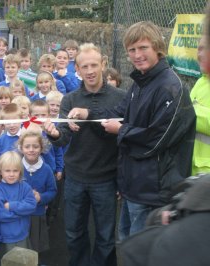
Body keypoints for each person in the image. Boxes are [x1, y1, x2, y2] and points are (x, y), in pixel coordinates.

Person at [64, 22, 196, 237]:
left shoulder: (170, 87)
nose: (137, 55)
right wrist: (88, 114)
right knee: (125, 246)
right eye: (132, 50)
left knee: (140, 251)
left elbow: (157, 139)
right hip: (134, 187)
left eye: (143, 48)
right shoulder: (140, 83)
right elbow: (118, 112)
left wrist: (121, 130)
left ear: (157, 47)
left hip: (154, 191)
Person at [44, 43, 125, 266]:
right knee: (73, 233)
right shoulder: (69, 99)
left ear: (103, 66)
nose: (90, 71)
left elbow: (124, 137)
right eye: (84, 66)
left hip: (106, 179)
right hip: (75, 178)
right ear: (76, 69)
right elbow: (62, 138)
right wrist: (53, 133)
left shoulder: (120, 97)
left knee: (106, 238)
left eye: (94, 65)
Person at [0, 151, 37, 260]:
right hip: (6, 237)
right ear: (0, 171)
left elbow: (32, 206)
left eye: (15, 171)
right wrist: (22, 212)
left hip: (23, 235)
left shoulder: (25, 187)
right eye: (7, 171)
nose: (11, 174)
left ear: (20, 171)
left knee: (23, 261)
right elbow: (1, 215)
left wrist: (12, 206)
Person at [19, 130, 57, 254]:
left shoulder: (46, 169)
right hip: (19, 214)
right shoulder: (16, 166)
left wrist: (40, 197)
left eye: (35, 146)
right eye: (27, 146)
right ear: (21, 148)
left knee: (34, 247)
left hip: (37, 214)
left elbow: (52, 191)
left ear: (41, 148)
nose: (31, 150)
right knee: (19, 246)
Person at [189, 37, 210, 175]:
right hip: (192, 170)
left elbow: (186, 112)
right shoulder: (201, 81)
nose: (200, 54)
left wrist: (189, 111)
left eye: (206, 48)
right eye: (199, 48)